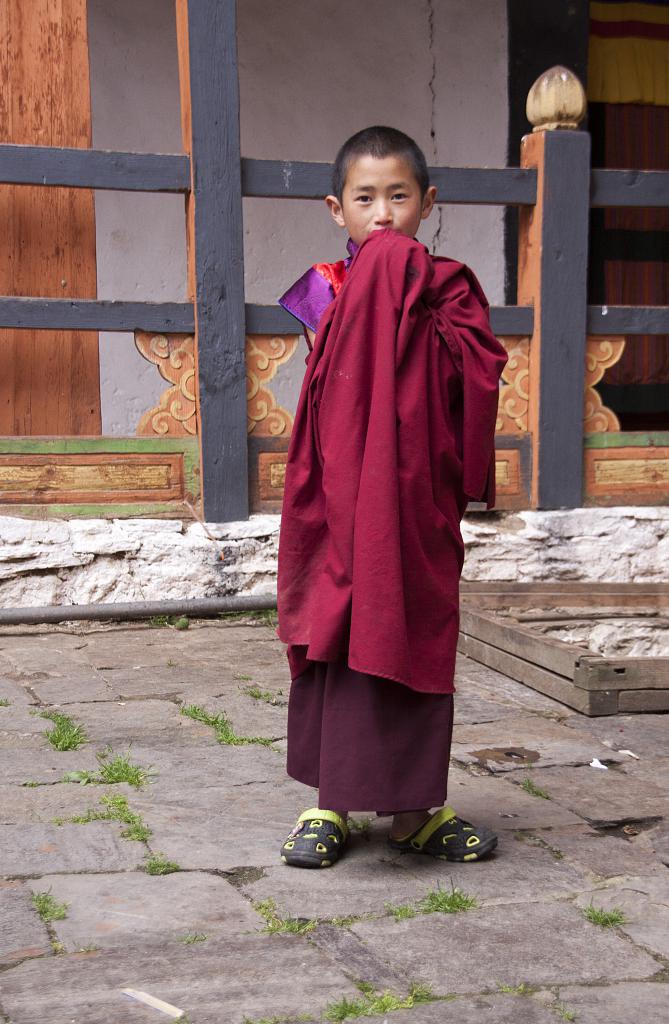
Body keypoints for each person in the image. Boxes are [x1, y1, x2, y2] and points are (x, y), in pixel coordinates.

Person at [276, 126, 508, 869]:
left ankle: (415, 813)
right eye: (364, 198)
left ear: (428, 203)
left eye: (398, 197)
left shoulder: (448, 286)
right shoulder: (326, 289)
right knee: (338, 629)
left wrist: (402, 287)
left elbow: (473, 374)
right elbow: (328, 398)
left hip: (411, 499)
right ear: (334, 208)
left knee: (408, 629)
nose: (382, 215)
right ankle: (327, 806)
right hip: (341, 496)